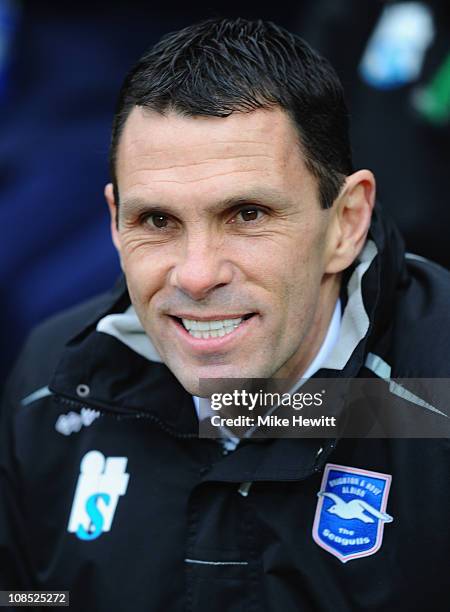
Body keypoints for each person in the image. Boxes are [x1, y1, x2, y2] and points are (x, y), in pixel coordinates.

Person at [1, 18, 449, 611]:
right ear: (114, 222)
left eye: (247, 214)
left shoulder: (436, 388)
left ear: (346, 221)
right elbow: (33, 600)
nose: (196, 274)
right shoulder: (51, 384)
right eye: (157, 221)